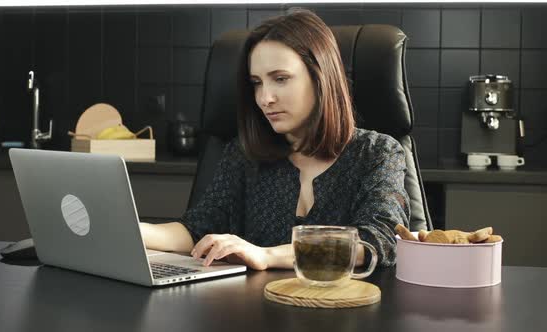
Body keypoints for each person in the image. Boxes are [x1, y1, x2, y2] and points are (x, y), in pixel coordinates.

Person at [139, 9, 410, 271]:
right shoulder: (243, 154)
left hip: (347, 310)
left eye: (280, 79)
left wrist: (267, 255)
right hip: (257, 310)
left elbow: (379, 241)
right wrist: (132, 229)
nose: (264, 98)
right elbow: (196, 228)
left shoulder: (377, 152)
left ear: (321, 78)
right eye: (256, 82)